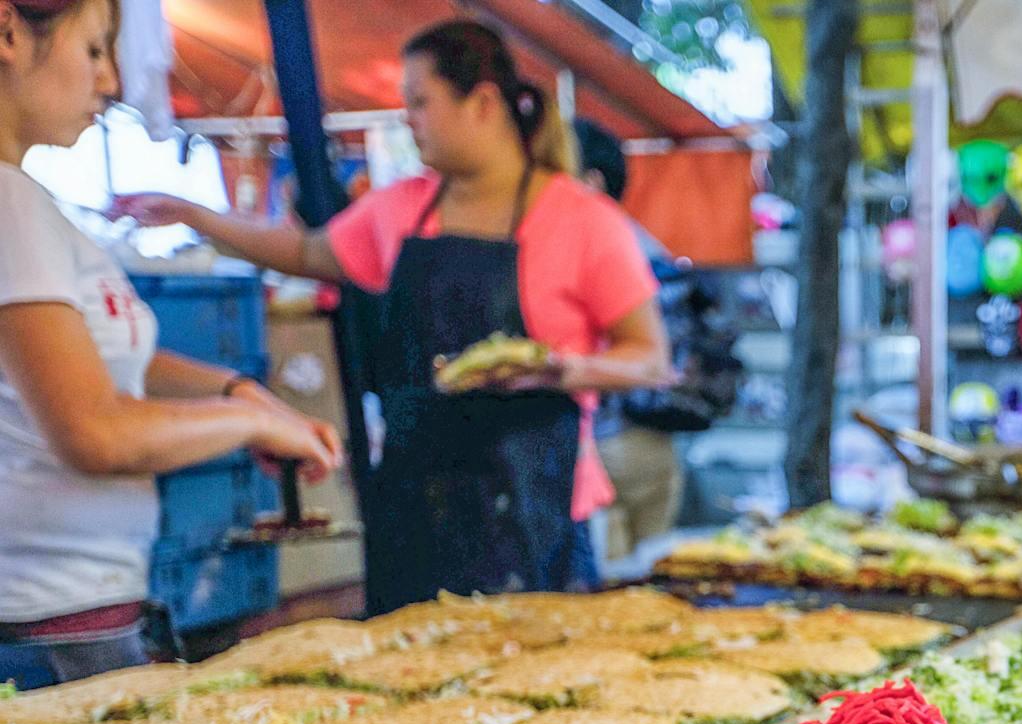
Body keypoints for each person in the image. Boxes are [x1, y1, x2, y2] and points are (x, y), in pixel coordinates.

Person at [118, 20, 671, 613]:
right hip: (413, 515)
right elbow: (305, 253)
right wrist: (195, 216)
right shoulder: (403, 209)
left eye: (420, 102)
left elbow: (649, 360)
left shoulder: (583, 221)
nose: (408, 118)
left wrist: (561, 370)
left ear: (482, 103)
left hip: (535, 516)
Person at [0, 0, 341, 685]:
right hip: (58, 628)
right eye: (94, 50)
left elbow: (93, 360)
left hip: (83, 613)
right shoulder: (8, 208)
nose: (111, 82)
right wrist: (247, 420)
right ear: (7, 32)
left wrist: (239, 393)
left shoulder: (27, 204)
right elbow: (94, 431)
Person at [569, 117, 681, 574]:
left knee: (615, 585)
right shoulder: (648, 242)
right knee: (653, 571)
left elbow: (650, 356)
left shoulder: (597, 241)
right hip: (657, 443)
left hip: (613, 442)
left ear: (591, 181)